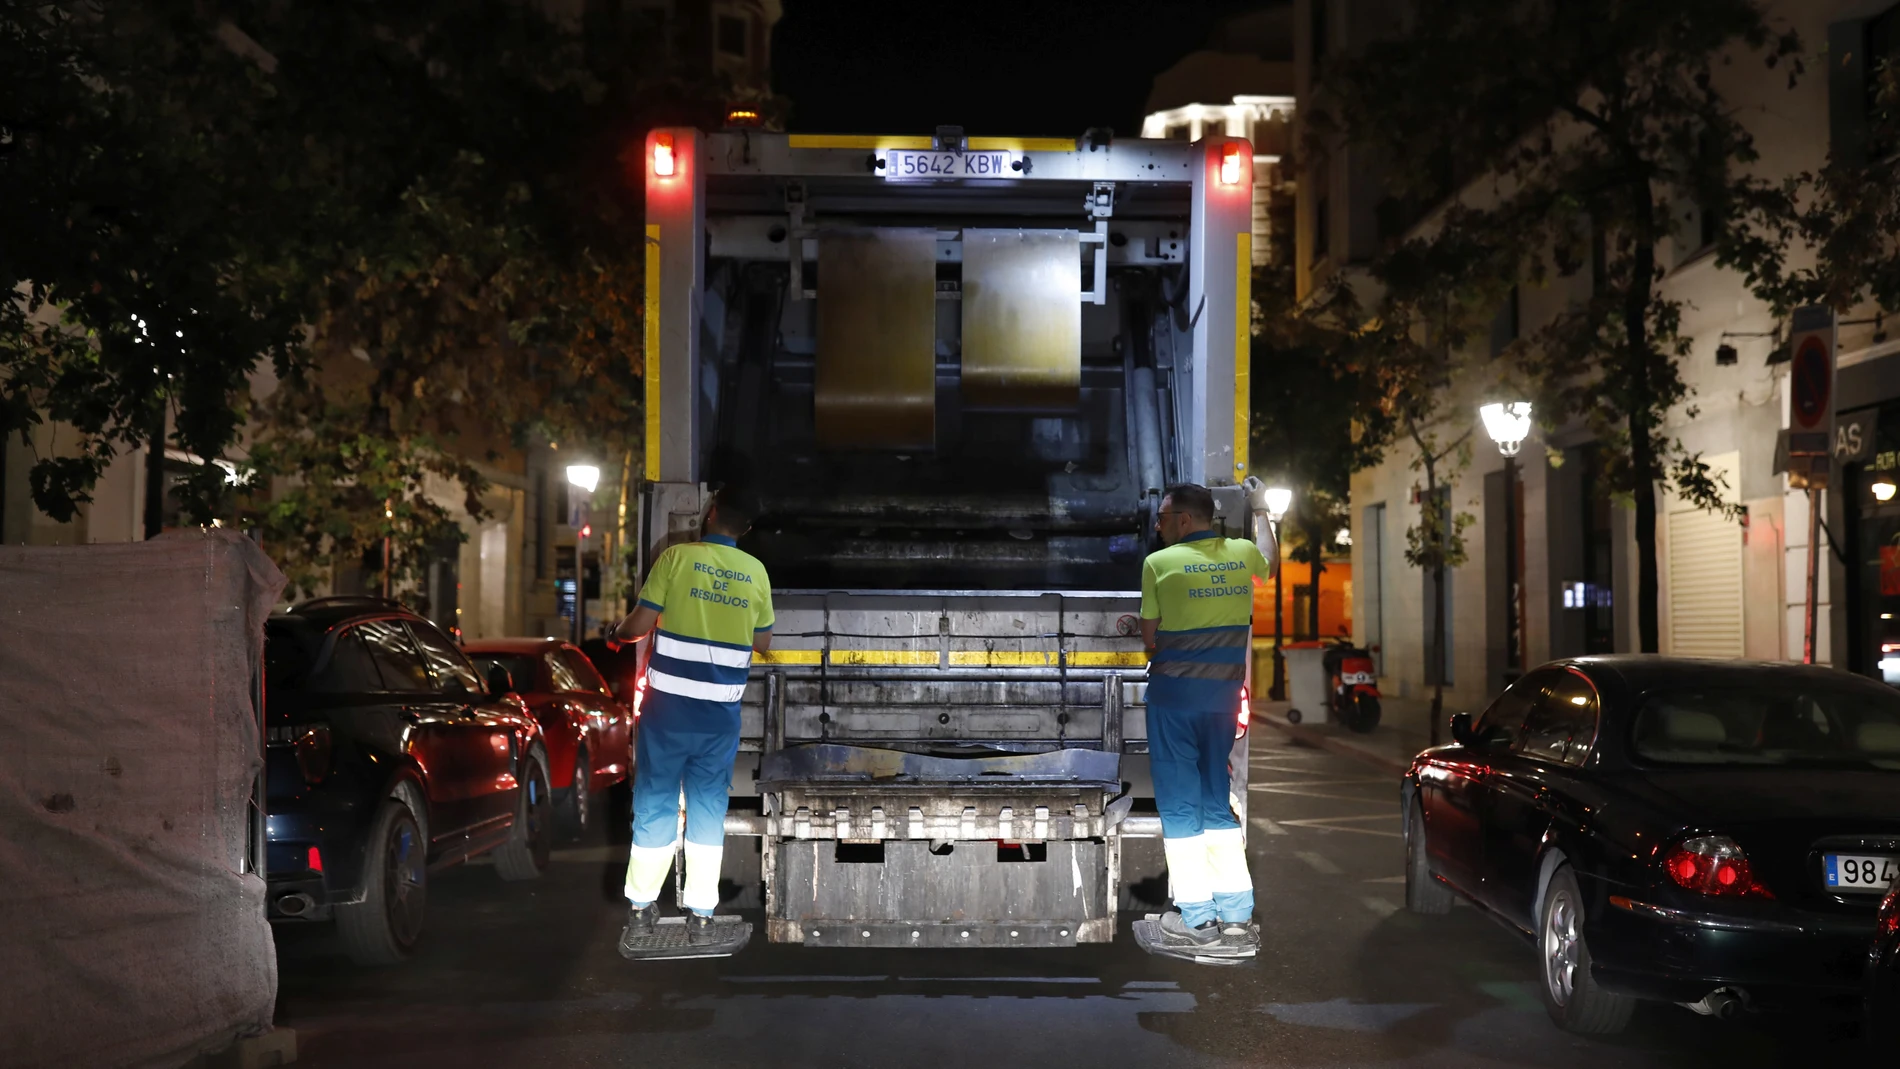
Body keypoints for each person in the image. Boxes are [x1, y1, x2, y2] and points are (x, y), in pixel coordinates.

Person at [608, 487, 773, 949]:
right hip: (719, 717)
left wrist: (616, 633)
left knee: (656, 802)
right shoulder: (756, 572)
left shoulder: (676, 559)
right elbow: (762, 643)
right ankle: (701, 914)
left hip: (667, 712)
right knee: (707, 808)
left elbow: (639, 626)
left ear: (711, 512)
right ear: (747, 529)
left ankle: (641, 910)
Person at [1140, 482, 1272, 953]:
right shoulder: (1242, 554)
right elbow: (1269, 560)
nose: (1158, 526)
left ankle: (1197, 920)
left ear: (1184, 519)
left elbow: (1150, 639)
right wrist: (1261, 508)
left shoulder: (1159, 564)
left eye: (1162, 517)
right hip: (1222, 703)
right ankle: (1236, 917)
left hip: (1174, 701)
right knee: (1217, 802)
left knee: (1180, 808)